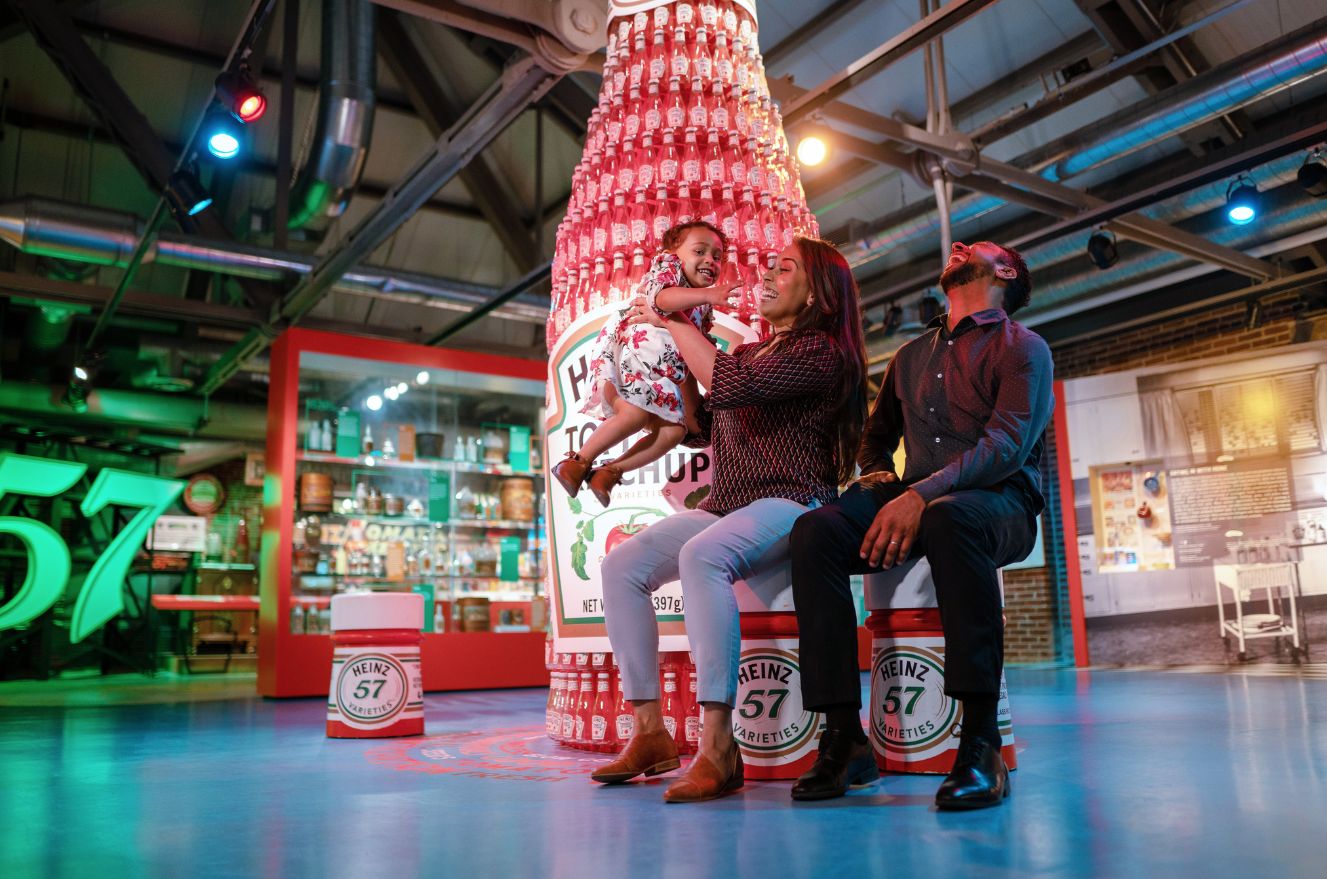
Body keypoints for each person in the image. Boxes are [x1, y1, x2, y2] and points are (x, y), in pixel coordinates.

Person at [588, 237, 867, 803]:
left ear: (817, 293)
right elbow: (701, 425)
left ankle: (718, 744)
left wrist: (672, 314)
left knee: (702, 555)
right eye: (769, 263)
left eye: (783, 267)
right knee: (622, 566)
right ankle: (650, 731)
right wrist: (657, 357)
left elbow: (732, 386)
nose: (766, 273)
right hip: (730, 503)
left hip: (793, 500)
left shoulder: (819, 352)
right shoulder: (747, 354)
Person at [788, 240, 1054, 810]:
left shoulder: (1024, 348)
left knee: (952, 516)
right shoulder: (911, 355)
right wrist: (881, 476)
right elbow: (875, 435)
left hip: (999, 503)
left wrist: (922, 495)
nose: (956, 246)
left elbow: (1006, 447)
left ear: (1003, 271)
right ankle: (844, 738)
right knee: (815, 532)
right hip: (921, 499)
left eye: (973, 247)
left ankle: (979, 742)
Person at [551, 222, 739, 506]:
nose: (710, 260)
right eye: (699, 251)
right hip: (635, 356)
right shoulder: (669, 269)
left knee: (674, 431)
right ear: (673, 253)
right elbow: (662, 300)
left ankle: (609, 472)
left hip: (660, 370)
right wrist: (709, 294)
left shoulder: (702, 304)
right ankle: (577, 462)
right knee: (635, 413)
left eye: (717, 256)